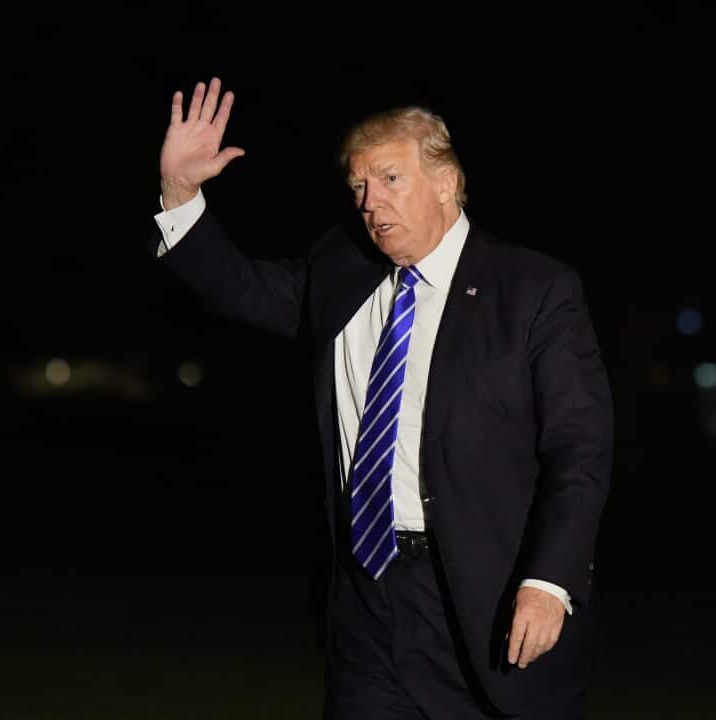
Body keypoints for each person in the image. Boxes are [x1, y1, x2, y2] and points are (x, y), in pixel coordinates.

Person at [151, 77, 613, 719]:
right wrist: (181, 191)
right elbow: (245, 290)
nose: (370, 203)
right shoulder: (345, 268)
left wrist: (550, 579)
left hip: (484, 594)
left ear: (447, 183)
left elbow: (579, 449)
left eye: (390, 179)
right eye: (359, 186)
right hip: (366, 599)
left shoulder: (532, 292)